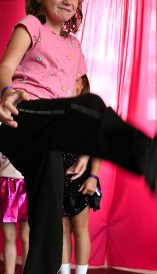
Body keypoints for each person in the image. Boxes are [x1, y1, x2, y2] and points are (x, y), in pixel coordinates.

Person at [0, 0, 157, 273]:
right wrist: (6, 93)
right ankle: (154, 160)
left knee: (48, 220)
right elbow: (4, 68)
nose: (68, 0)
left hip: (52, 136)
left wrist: (87, 146)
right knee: (90, 104)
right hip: (21, 115)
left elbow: (74, 103)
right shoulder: (31, 24)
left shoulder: (73, 45)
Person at [60, 75, 102, 274]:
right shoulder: (56, 109)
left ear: (83, 83)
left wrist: (93, 177)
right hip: (57, 175)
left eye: (75, 78)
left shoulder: (89, 112)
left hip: (82, 176)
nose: (69, 82)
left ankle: (82, 272)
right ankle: (65, 271)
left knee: (80, 227)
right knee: (61, 229)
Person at [0, 145, 29, 274]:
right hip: (5, 188)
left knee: (26, 236)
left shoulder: (34, 133)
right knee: (9, 236)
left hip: (27, 187)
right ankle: (8, 272)